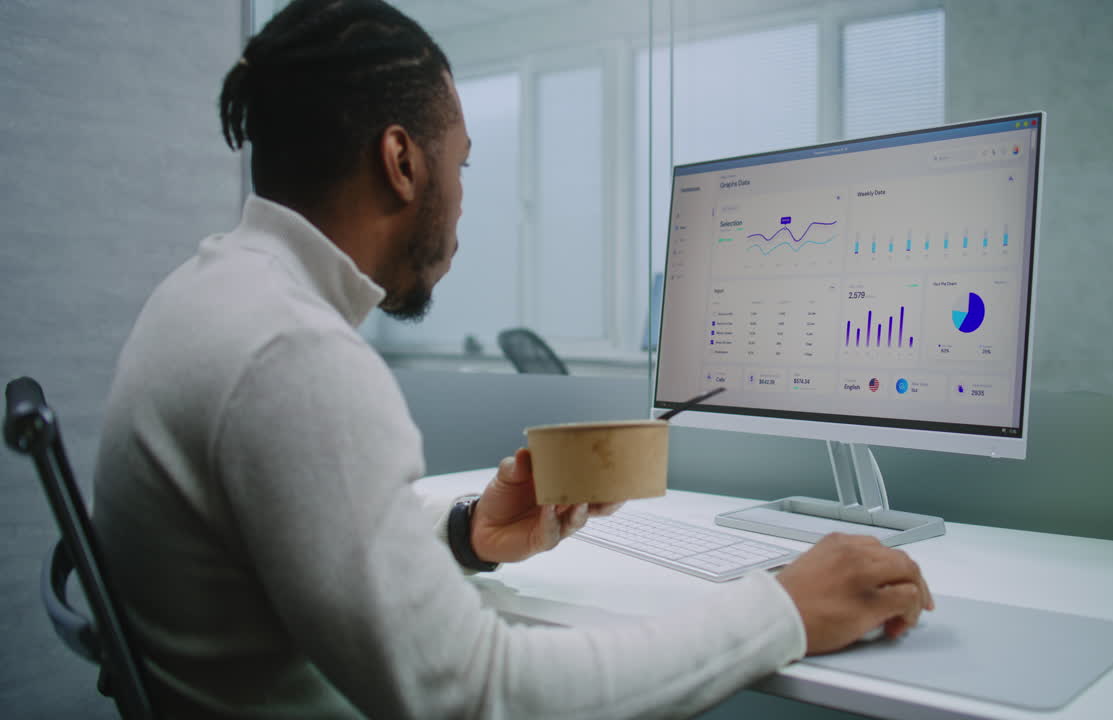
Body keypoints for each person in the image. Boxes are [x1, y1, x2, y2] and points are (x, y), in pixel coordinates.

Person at [92, 0, 933, 717]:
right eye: (461, 164)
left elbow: (283, 540)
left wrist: (466, 534)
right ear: (401, 163)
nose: (462, 200)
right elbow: (474, 695)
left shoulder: (210, 296)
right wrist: (782, 609)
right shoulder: (291, 353)